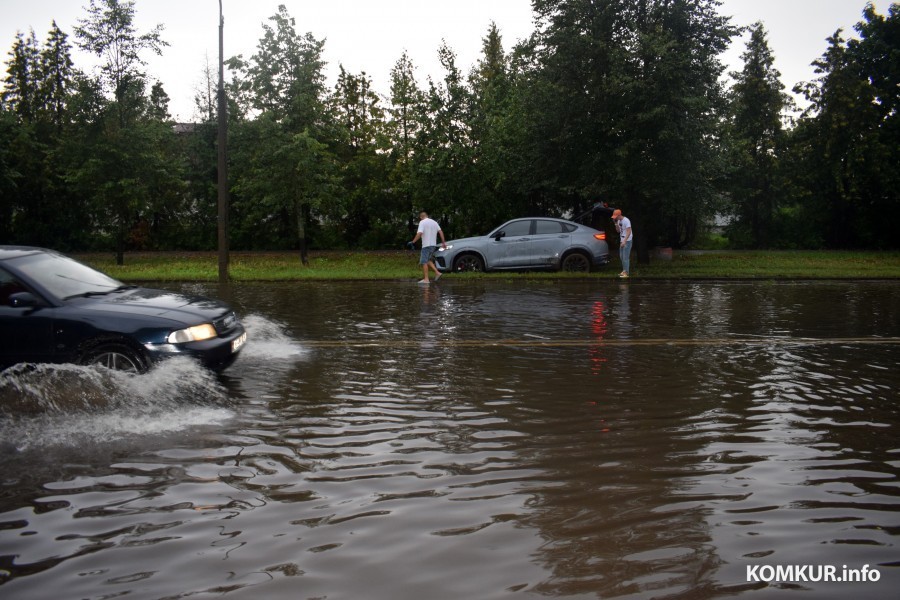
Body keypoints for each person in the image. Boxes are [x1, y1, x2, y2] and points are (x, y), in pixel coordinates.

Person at [410, 211, 447, 284]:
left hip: (426, 245)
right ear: (427, 216)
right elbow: (440, 232)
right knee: (428, 260)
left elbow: (420, 233)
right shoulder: (434, 222)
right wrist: (443, 243)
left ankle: (426, 279)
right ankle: (437, 273)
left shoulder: (422, 222)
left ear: (421, 217)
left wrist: (413, 241)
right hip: (433, 245)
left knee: (424, 262)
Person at [611, 209, 633, 278]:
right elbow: (618, 231)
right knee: (621, 257)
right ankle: (624, 271)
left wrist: (624, 241)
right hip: (622, 240)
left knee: (625, 258)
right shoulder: (618, 221)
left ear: (619, 215)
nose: (615, 218)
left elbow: (629, 231)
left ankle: (626, 273)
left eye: (615, 216)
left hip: (627, 241)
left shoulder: (626, 220)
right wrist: (615, 223)